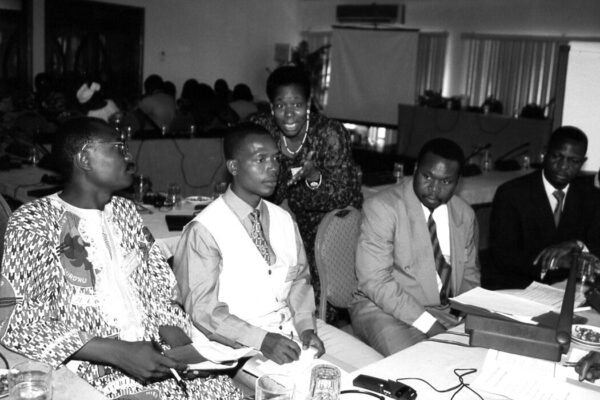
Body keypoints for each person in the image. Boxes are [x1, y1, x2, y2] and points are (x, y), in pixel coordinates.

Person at [0, 117, 242, 399]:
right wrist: (120, 353)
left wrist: (175, 334)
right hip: (90, 368)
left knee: (224, 391)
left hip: (154, 356)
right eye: (119, 148)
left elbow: (161, 287)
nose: (130, 157)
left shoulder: (126, 213)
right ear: (84, 158)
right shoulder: (34, 222)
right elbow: (20, 323)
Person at [173, 123, 382, 369]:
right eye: (260, 160)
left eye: (275, 159)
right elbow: (203, 312)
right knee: (329, 385)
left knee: (378, 368)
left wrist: (306, 327)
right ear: (234, 167)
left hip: (294, 328)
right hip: (238, 345)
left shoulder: (283, 218)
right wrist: (262, 340)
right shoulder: (205, 230)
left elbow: (300, 280)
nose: (273, 167)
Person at [250, 65, 362, 321]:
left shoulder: (329, 133)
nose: (289, 114)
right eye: (280, 106)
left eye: (297, 105)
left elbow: (343, 194)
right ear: (271, 107)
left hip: (326, 225)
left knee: (307, 295)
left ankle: (316, 328)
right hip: (279, 219)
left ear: (308, 104)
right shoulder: (262, 129)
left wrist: (313, 178)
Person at [350, 138, 480, 356]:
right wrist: (432, 327)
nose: (434, 188)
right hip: (382, 308)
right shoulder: (383, 207)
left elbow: (469, 275)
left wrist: (470, 313)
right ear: (415, 169)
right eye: (427, 177)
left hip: (443, 310)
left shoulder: (464, 215)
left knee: (477, 358)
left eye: (446, 181)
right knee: (414, 363)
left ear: (458, 182)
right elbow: (376, 282)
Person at [485, 126, 600, 289]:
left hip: (572, 289)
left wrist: (578, 245)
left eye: (573, 161)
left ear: (582, 162)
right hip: (519, 287)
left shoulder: (591, 196)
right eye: (557, 156)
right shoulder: (512, 193)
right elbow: (504, 255)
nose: (563, 166)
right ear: (545, 152)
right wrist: (558, 261)